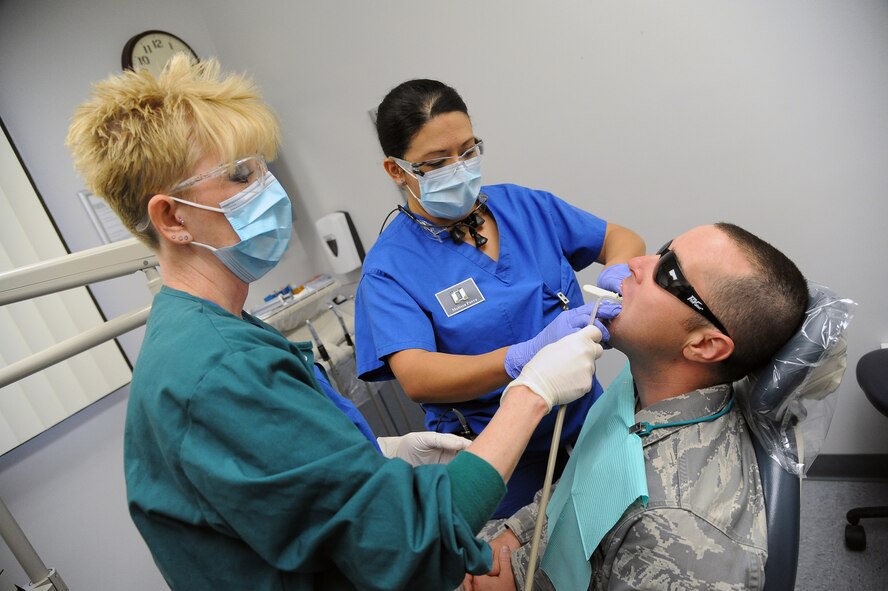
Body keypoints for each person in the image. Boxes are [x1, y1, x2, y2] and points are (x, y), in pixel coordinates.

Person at [66, 55, 607, 590]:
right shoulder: (220, 367)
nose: (270, 189)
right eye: (240, 175)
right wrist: (531, 388)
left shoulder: (219, 334)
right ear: (171, 217)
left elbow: (287, 494)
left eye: (262, 166)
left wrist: (375, 457)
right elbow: (408, 542)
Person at [355, 79, 645, 518]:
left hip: (588, 422)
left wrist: (618, 272)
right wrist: (521, 358)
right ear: (397, 171)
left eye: (468, 152)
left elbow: (619, 238)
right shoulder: (389, 268)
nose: (460, 168)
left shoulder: (521, 206)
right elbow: (417, 376)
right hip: (499, 459)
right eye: (437, 163)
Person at [465, 223, 809, 591]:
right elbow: (582, 483)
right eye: (661, 251)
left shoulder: (677, 534)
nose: (636, 264)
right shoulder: (642, 391)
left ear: (705, 345)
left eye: (668, 273)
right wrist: (516, 535)